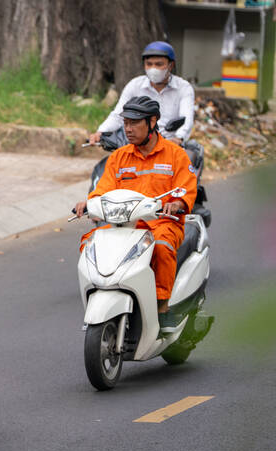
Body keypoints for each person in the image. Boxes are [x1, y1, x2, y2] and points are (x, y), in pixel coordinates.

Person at [74, 96, 197, 329]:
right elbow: (102, 190)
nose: (127, 129)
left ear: (152, 122)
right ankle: (101, 295)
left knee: (161, 247)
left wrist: (177, 204)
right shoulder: (119, 157)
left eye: (134, 123)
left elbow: (186, 191)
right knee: (90, 245)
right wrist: (89, 203)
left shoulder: (176, 155)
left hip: (163, 223)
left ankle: (163, 308)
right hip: (125, 225)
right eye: (125, 123)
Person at [88, 42, 194, 147]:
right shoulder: (134, 85)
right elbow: (118, 115)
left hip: (169, 145)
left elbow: (186, 119)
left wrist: (178, 138)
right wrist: (100, 132)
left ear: (171, 65)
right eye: (149, 64)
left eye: (159, 64)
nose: (153, 68)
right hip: (136, 144)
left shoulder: (184, 88)